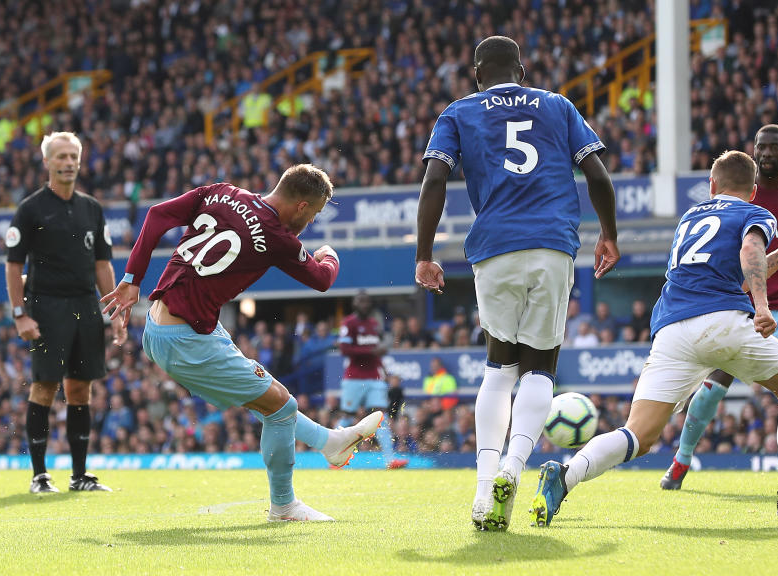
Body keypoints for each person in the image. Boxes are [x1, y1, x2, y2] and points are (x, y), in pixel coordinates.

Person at [530, 151, 778, 525]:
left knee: (637, 435)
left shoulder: (690, 217)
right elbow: (751, 252)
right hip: (723, 322)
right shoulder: (755, 213)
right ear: (753, 190)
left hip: (673, 330)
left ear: (711, 185)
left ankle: (564, 475)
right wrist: (762, 307)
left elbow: (740, 269)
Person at [415, 35, 620, 531]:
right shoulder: (558, 105)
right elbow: (597, 174)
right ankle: (514, 466)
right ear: (522, 71)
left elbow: (434, 182)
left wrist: (425, 253)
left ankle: (486, 489)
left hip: (493, 246)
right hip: (551, 243)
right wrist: (609, 235)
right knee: (539, 368)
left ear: (478, 74)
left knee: (499, 363)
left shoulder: (459, 111)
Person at [100, 164, 382, 522]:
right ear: (302, 206)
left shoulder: (221, 192)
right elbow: (323, 278)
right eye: (313, 215)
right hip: (185, 339)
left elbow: (156, 215)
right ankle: (284, 506)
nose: (310, 223)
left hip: (171, 323)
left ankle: (331, 443)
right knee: (280, 406)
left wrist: (131, 278)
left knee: (268, 398)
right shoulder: (278, 238)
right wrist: (330, 252)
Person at [661, 124, 778, 492]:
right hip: (739, 306)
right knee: (713, 388)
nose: (766, 153)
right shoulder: (742, 201)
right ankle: (682, 458)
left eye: (774, 148)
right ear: (754, 153)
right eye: (760, 148)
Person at [5, 131, 125, 494]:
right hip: (46, 306)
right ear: (47, 162)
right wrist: (20, 314)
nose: (69, 162)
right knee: (44, 387)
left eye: (73, 156)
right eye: (61, 157)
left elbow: (103, 264)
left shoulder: (92, 208)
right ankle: (39, 475)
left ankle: (79, 476)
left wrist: (115, 309)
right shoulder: (30, 209)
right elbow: (13, 266)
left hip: (85, 306)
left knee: (80, 390)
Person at [338, 290, 408, 469]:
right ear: (355, 304)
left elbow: (377, 350)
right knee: (348, 416)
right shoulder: (349, 323)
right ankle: (334, 456)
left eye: (367, 302)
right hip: (353, 377)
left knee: (380, 416)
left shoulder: (374, 324)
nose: (365, 305)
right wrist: (370, 352)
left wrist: (383, 368)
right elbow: (344, 349)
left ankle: (390, 460)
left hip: (374, 377)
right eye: (361, 302)